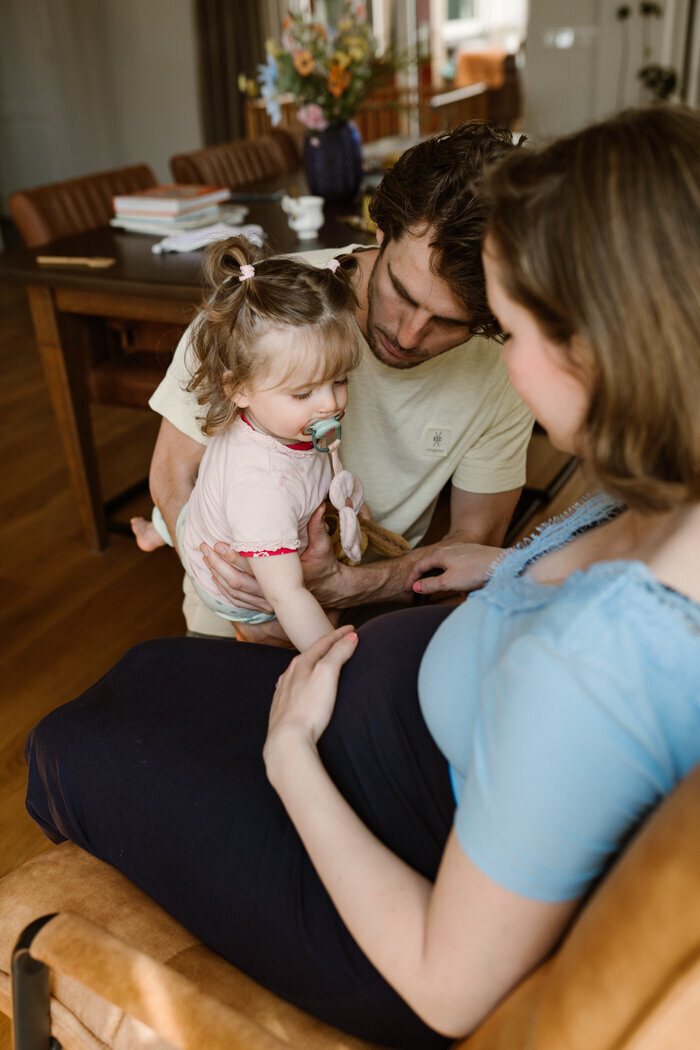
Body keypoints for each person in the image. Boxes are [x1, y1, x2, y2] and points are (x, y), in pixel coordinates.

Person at [25, 105, 700, 1049]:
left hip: (372, 839)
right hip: (376, 705)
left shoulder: (602, 668)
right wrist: (509, 566)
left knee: (63, 745)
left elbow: (450, 987)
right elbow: (179, 475)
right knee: (143, 677)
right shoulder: (671, 496)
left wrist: (292, 754)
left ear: (601, 348)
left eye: (497, 326)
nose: (483, 349)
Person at [148, 122, 534, 639]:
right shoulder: (261, 311)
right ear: (381, 233)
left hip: (380, 601)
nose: (410, 333)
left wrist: (342, 587)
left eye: (451, 322)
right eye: (402, 291)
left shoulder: (510, 365)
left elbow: (474, 544)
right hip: (239, 597)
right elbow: (173, 476)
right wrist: (240, 592)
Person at [131, 237, 365, 651]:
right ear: (239, 388)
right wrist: (331, 654)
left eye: (340, 380)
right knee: (291, 601)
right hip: (241, 596)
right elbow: (286, 595)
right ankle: (163, 529)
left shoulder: (277, 418)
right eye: (303, 393)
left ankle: (158, 528)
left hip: (218, 508)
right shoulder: (263, 491)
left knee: (195, 508)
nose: (329, 403)